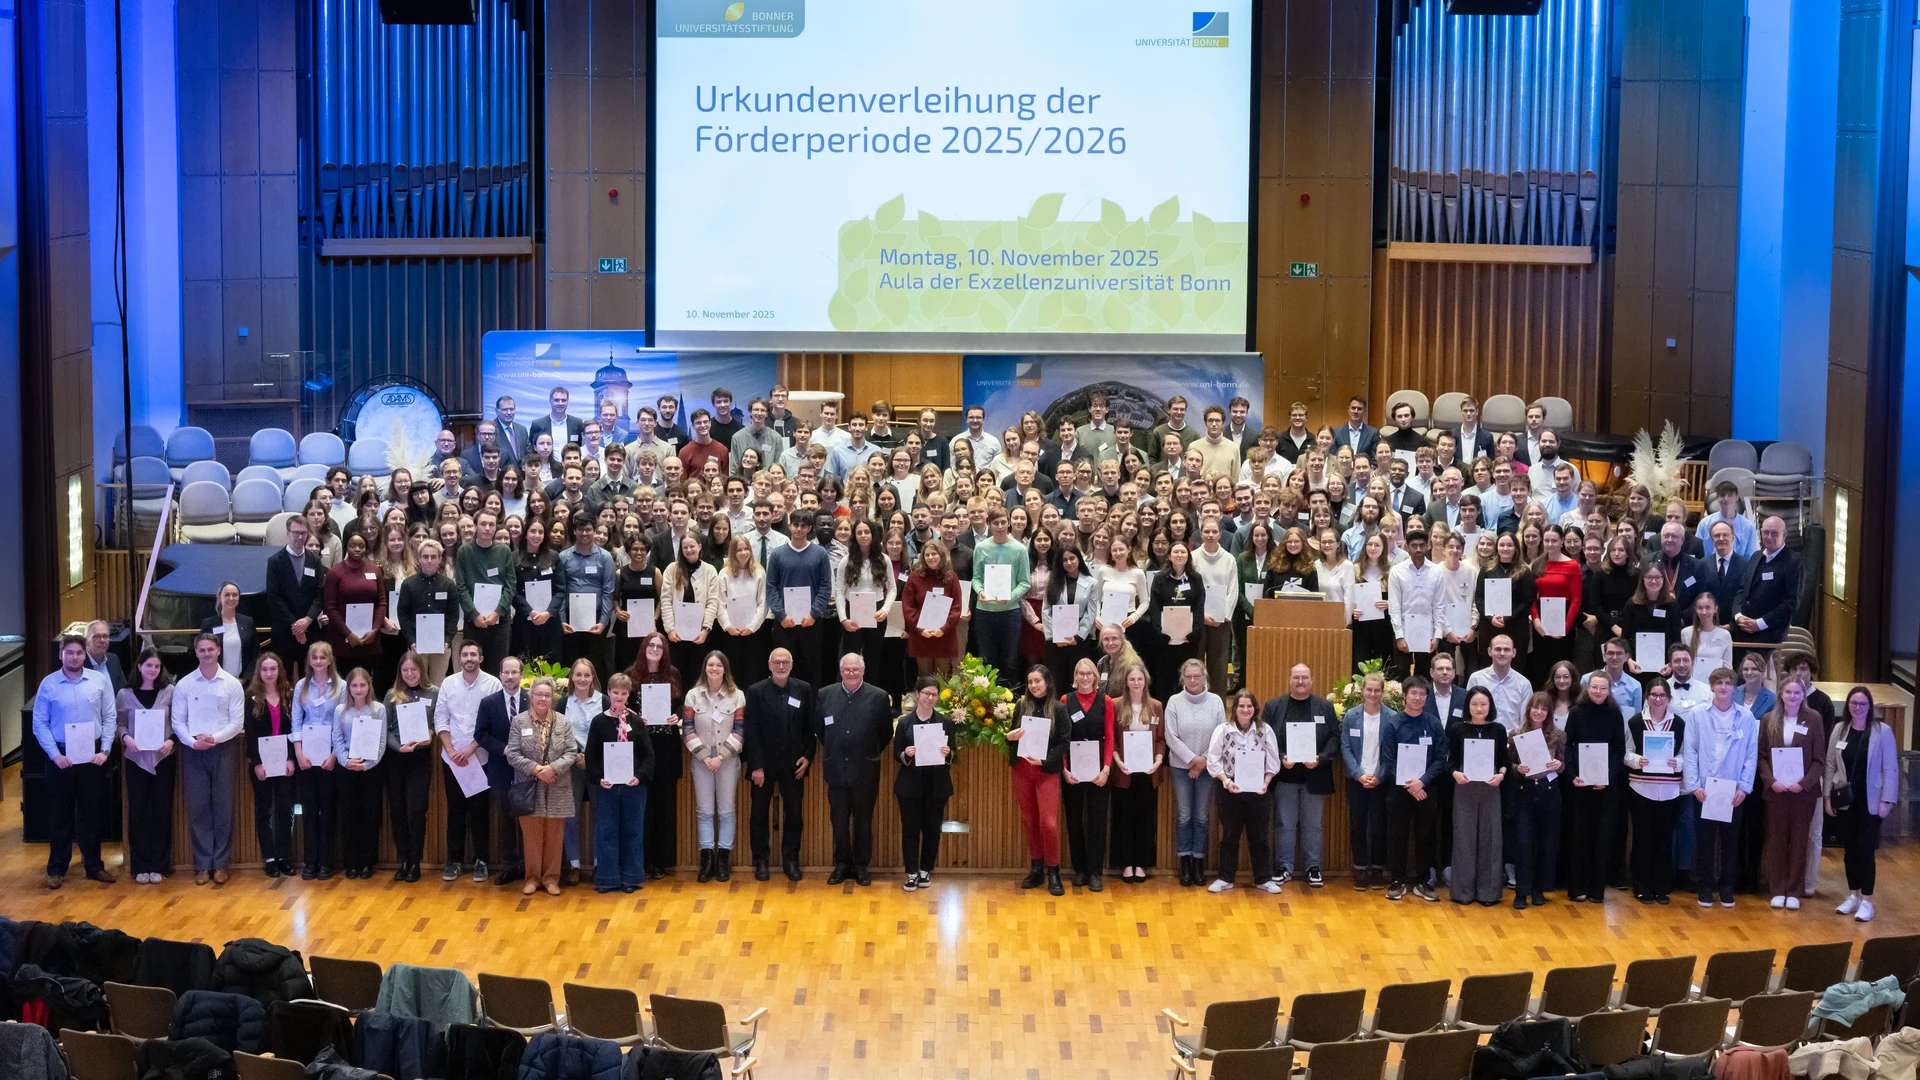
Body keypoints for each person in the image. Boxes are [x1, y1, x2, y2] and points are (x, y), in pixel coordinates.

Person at [33, 634, 118, 888]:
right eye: (69, 652)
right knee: (60, 814)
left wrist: (104, 750)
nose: (74, 657)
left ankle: (94, 867)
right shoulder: (48, 684)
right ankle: (56, 869)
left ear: (85, 654)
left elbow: (110, 716)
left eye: (79, 653)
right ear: (61, 654)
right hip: (61, 756)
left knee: (91, 813)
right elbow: (39, 723)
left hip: (92, 757)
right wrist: (54, 754)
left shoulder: (99, 680)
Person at [173, 632, 246, 885]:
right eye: (202, 650)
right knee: (199, 808)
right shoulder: (184, 684)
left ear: (218, 652)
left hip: (223, 749)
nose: (206, 654)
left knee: (223, 807)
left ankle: (221, 864)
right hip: (193, 751)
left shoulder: (231, 684)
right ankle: (203, 865)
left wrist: (214, 738)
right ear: (196, 653)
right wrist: (193, 742)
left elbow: (237, 723)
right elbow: (177, 722)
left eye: (210, 649)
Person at [816, 652, 894, 886]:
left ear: (863, 670)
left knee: (863, 821)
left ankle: (861, 866)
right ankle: (841, 865)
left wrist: (869, 752)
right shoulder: (825, 695)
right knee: (838, 821)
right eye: (847, 669)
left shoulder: (879, 697)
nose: (851, 673)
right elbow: (820, 730)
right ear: (840, 671)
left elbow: (885, 733)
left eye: (855, 669)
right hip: (836, 769)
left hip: (865, 771)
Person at [1683, 667, 1759, 908]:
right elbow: (1690, 750)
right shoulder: (1697, 714)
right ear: (1712, 686)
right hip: (1705, 788)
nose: (1723, 687)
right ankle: (1705, 888)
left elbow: (1750, 754)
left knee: (1730, 841)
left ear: (1733, 687)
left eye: (1728, 683)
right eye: (1719, 683)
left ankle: (1727, 888)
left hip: (1732, 789)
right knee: (1704, 841)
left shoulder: (1745, 717)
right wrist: (1694, 785)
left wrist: (1744, 788)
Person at [743, 647, 815, 882]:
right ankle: (761, 861)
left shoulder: (803, 689)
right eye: (777, 662)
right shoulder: (755, 691)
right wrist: (756, 765)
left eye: (785, 662)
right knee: (758, 815)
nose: (781, 666)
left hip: (795, 763)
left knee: (794, 814)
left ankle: (790, 861)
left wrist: (808, 755)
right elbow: (750, 730)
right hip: (763, 764)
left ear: (791, 664)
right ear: (769, 664)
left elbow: (809, 726)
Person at [1264, 663, 1339, 888]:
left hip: (1314, 777)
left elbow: (1335, 738)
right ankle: (1284, 867)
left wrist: (1321, 758)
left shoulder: (1325, 708)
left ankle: (1313, 868)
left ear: (1311, 680)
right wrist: (1280, 757)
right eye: (1296, 677)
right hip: (1284, 777)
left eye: (1304, 678)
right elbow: (1264, 740)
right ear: (1289, 680)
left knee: (1313, 825)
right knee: (1284, 824)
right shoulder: (1274, 706)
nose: (1300, 682)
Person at [433, 641, 501, 883]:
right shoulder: (449, 683)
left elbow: (494, 722)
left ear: (481, 658)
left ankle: (481, 860)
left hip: (480, 757)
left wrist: (471, 749)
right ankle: (454, 861)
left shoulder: (493, 683)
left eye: (474, 654)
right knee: (455, 810)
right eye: (465, 654)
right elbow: (440, 718)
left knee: (480, 811)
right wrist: (451, 750)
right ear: (459, 658)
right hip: (452, 760)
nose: (469, 658)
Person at [1829, 686, 1898, 922]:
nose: (1857, 708)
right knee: (1849, 850)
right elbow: (1830, 765)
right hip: (1846, 800)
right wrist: (1828, 797)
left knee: (1865, 850)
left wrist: (1887, 800)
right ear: (1848, 705)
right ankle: (1853, 895)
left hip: (1871, 801)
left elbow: (1890, 768)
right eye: (1853, 703)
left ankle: (1867, 900)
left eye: (1862, 704)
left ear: (1870, 707)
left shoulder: (1882, 731)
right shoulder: (1840, 729)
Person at [507, 675, 579, 897]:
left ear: (552, 699)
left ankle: (551, 879)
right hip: (529, 787)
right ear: (531, 696)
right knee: (532, 837)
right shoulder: (519, 721)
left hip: (557, 786)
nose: (543, 699)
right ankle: (532, 878)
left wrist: (552, 769)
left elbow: (571, 752)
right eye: (539, 694)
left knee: (555, 837)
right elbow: (512, 753)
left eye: (547, 695)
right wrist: (537, 770)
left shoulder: (563, 722)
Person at [1759, 677, 1826, 910]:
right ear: (1781, 694)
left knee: (1799, 841)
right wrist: (1771, 780)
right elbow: (1761, 757)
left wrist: (1804, 783)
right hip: (1776, 791)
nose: (1792, 696)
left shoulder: (1814, 719)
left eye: (1797, 692)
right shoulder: (1769, 719)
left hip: (1802, 793)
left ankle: (1794, 890)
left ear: (1803, 695)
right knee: (1777, 840)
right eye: (1788, 692)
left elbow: (1820, 759)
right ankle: (1778, 889)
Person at [1205, 689, 1281, 894]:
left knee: (1260, 836)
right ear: (1235, 709)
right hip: (1230, 788)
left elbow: (1273, 761)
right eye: (1241, 706)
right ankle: (1225, 877)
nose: (1245, 709)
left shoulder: (1265, 731)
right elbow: (1213, 761)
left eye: (1249, 706)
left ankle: (1263, 878)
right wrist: (1226, 781)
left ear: (1254, 708)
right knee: (1230, 834)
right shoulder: (1223, 730)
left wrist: (1266, 782)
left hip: (1259, 790)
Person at [586, 673, 655, 893]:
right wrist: (599, 778)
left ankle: (631, 878)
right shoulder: (599, 722)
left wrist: (640, 776)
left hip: (633, 786)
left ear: (629, 695)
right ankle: (607, 878)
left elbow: (648, 755)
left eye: (623, 693)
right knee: (606, 831)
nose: (619, 696)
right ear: (609, 692)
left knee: (633, 831)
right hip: (607, 787)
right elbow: (591, 755)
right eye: (615, 692)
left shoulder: (635, 721)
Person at [680, 650, 745, 882]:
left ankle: (722, 860)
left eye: (719, 665)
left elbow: (739, 730)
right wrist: (706, 757)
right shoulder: (693, 696)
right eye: (710, 665)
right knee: (705, 811)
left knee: (726, 811)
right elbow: (687, 729)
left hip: (727, 761)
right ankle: (707, 860)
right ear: (704, 668)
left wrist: (720, 757)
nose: (714, 669)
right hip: (701, 761)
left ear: (725, 669)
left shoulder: (737, 696)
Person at [115, 647, 177, 884]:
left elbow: (178, 723)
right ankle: (140, 864)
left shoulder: (169, 692)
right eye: (148, 665)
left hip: (163, 759)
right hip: (136, 760)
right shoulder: (124, 694)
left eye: (157, 666)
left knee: (162, 811)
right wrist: (125, 738)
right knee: (138, 812)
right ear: (139, 667)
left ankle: (159, 865)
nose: (153, 669)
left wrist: (171, 741)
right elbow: (120, 724)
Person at [627, 633, 686, 879]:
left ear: (665, 651)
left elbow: (682, 705)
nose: (654, 649)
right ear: (644, 648)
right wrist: (635, 718)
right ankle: (641, 860)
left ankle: (661, 862)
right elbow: (624, 708)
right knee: (642, 805)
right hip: (640, 746)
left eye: (659, 646)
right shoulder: (631, 674)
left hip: (666, 745)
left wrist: (677, 717)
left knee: (664, 804)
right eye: (650, 645)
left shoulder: (673, 674)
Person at [1562, 671, 1624, 903]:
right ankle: (1577, 887)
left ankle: (1597, 890)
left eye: (1603, 688)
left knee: (1603, 838)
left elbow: (1619, 750)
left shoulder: (1615, 713)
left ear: (1609, 691)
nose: (1598, 692)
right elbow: (1568, 747)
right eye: (1595, 687)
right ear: (1588, 688)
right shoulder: (1576, 712)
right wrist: (1573, 775)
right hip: (1580, 785)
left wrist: (1608, 776)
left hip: (1607, 786)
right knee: (1579, 837)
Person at [893, 677, 959, 891]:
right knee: (910, 830)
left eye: (934, 694)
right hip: (910, 785)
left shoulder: (945, 722)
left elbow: (954, 754)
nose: (930, 698)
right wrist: (906, 753)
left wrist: (948, 753)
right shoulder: (904, 722)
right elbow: (897, 754)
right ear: (917, 695)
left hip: (936, 785)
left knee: (932, 830)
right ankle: (911, 872)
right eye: (926, 694)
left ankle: (925, 870)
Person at [1625, 679, 1686, 904]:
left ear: (1669, 698)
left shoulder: (1679, 724)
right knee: (1642, 840)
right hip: (1641, 788)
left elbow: (1685, 754)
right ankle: (1641, 887)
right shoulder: (1634, 722)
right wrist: (1636, 760)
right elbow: (1626, 753)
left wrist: (1676, 763)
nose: (1657, 699)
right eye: (1653, 695)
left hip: (1669, 790)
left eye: (1662, 695)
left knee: (1664, 840)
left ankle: (1662, 887)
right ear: (1647, 697)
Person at [1057, 657, 1116, 891]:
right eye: (1080, 674)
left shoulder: (1106, 701)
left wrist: (1106, 769)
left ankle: (1095, 872)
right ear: (1075, 676)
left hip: (1098, 771)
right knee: (1073, 820)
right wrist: (1064, 769)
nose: (1084, 678)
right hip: (1072, 770)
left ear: (1095, 676)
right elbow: (1062, 737)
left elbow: (1110, 737)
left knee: (1097, 821)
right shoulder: (1065, 700)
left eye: (1088, 674)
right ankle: (1079, 870)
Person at [473, 654, 530, 885]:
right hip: (501, 769)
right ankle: (509, 866)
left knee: (527, 821)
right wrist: (504, 749)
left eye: (514, 672)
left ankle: (529, 867)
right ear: (500, 675)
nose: (509, 676)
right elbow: (481, 734)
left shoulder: (531, 700)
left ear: (521, 675)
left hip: (528, 771)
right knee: (505, 821)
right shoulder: (489, 703)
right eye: (505, 672)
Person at [382, 650, 438, 882]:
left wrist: (431, 734)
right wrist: (397, 747)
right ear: (400, 672)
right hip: (396, 759)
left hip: (420, 759)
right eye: (405, 670)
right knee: (398, 811)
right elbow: (384, 730)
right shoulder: (391, 695)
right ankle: (403, 860)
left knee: (416, 811)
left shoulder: (433, 693)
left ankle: (415, 861)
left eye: (413, 669)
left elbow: (437, 721)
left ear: (421, 670)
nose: (410, 674)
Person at [1107, 665, 1165, 883]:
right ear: (1126, 682)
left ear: (1145, 681)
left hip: (1148, 772)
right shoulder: (1115, 705)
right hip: (1124, 770)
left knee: (1145, 817)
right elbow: (1111, 737)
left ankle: (1141, 863)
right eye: (1132, 679)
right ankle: (1126, 863)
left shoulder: (1156, 706)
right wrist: (1118, 761)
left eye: (1140, 678)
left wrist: (1158, 761)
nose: (1136, 683)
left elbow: (1160, 739)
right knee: (1123, 817)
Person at [1338, 672, 1395, 890]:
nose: (1372, 694)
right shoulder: (1352, 716)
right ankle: (1360, 868)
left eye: (1377, 690)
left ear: (1382, 692)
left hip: (1382, 780)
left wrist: (1379, 776)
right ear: (1362, 691)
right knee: (1358, 825)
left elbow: (1391, 751)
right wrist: (1358, 774)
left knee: (1380, 826)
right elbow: (1345, 747)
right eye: (1369, 689)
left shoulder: (1391, 716)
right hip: (1357, 780)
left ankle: (1378, 868)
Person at [1506, 692, 1564, 908]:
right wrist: (1516, 768)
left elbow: (1564, 764)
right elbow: (1508, 764)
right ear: (1528, 709)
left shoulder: (1558, 735)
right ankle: (1521, 891)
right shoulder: (1515, 735)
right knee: (1523, 842)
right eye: (1535, 708)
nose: (1538, 712)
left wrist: (1559, 766)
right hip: (1524, 794)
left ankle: (1538, 889)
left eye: (1543, 709)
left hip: (1549, 794)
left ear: (1548, 713)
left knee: (1545, 844)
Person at [243, 653, 298, 877]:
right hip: (262, 764)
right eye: (264, 669)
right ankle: (270, 858)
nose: (268, 673)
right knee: (264, 811)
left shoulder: (289, 694)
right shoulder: (252, 696)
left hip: (285, 762)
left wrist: (292, 758)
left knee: (286, 810)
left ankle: (284, 856)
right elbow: (250, 732)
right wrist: (257, 763)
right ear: (259, 672)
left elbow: (295, 729)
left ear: (279, 670)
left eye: (272, 669)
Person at [331, 667, 387, 879]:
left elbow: (381, 743)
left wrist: (366, 765)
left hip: (369, 770)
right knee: (348, 815)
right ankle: (351, 862)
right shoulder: (340, 711)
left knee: (369, 816)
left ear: (369, 686)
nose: (358, 689)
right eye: (354, 685)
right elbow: (336, 738)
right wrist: (346, 761)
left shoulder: (378, 709)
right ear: (349, 688)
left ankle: (367, 862)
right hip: (346, 769)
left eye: (362, 685)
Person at [768, 509, 834, 686]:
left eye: (803, 526)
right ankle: (787, 708)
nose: (799, 529)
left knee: (812, 669)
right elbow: (771, 588)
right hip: (784, 623)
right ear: (789, 526)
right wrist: (781, 615)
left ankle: (811, 709)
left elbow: (825, 587)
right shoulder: (777, 554)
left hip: (811, 622)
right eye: (795, 524)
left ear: (810, 528)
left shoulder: (819, 554)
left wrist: (814, 613)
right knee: (786, 669)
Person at [970, 508, 1031, 688]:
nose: (1000, 526)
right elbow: (976, 578)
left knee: (1009, 660)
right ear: (989, 524)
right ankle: (987, 704)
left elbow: (1024, 582)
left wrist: (1009, 597)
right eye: (995, 523)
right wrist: (980, 591)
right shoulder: (981, 548)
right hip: (984, 612)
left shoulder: (1019, 550)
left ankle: (1010, 703)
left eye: (1003, 522)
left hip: (1010, 612)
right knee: (986, 660)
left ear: (1009, 522)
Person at [457, 510, 516, 677]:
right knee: (472, 666)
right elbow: (461, 587)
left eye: (491, 524)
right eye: (483, 524)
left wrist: (498, 612)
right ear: (476, 526)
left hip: (499, 620)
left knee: (497, 668)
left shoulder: (504, 551)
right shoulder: (465, 551)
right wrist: (474, 614)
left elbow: (511, 584)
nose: (487, 528)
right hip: (474, 620)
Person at [266, 516, 327, 673]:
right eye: (296, 533)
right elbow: (274, 597)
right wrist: (295, 625)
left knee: (309, 678)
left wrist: (307, 620)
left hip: (309, 630)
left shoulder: (314, 560)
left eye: (303, 533)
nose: (300, 537)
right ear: (288, 533)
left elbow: (320, 594)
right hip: (284, 631)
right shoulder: (275, 561)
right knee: (282, 680)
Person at [661, 531, 720, 688]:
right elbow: (666, 600)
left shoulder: (710, 571)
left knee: (697, 674)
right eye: (685, 547)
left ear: (699, 546)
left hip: (700, 635)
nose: (688, 550)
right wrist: (670, 629)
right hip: (677, 635)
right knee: (677, 674)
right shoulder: (672, 569)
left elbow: (712, 601)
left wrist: (705, 629)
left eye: (692, 546)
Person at [557, 515, 616, 672]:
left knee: (594, 664)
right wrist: (562, 619)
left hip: (596, 620)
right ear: (574, 531)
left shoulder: (605, 557)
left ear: (594, 531)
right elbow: (560, 591)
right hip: (570, 620)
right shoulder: (563, 557)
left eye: (588, 529)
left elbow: (608, 591)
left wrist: (603, 621)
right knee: (570, 664)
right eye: (581, 530)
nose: (584, 533)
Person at [324, 531, 387, 675]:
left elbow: (381, 603)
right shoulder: (335, 572)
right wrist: (348, 634)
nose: (357, 549)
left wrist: (374, 630)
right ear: (346, 547)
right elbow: (330, 607)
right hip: (342, 639)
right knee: (344, 683)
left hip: (369, 638)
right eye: (353, 545)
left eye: (361, 546)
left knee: (366, 683)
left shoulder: (375, 570)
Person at [1147, 542, 1206, 697]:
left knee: (1187, 678)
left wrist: (1195, 633)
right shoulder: (1160, 578)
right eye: (1176, 552)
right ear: (1169, 556)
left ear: (1188, 556)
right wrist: (1160, 633)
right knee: (1165, 680)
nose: (1179, 555)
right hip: (1165, 640)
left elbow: (1199, 607)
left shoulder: (1196, 579)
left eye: (1183, 552)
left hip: (1188, 640)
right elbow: (1155, 607)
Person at [395, 539, 458, 685]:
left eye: (433, 557)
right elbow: (402, 614)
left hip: (441, 644)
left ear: (439, 559)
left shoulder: (448, 585)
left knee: (437, 683)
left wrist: (448, 640)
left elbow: (453, 615)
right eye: (425, 557)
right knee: (417, 682)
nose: (429, 561)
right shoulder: (409, 584)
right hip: (417, 643)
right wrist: (411, 640)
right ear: (419, 558)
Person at [1733, 516, 1801, 649]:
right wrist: (1738, 616)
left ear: (1784, 535)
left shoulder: (1794, 562)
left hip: (1770, 635)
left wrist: (1760, 623)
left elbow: (1791, 603)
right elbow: (1742, 590)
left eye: (1774, 533)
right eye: (1765, 532)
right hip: (1742, 631)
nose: (1769, 537)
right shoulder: (1756, 556)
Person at [902, 538, 963, 677]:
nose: (931, 557)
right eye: (927, 555)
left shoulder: (951, 577)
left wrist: (944, 628)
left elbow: (956, 607)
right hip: (922, 636)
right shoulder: (914, 577)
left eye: (934, 554)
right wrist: (919, 628)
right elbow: (908, 607)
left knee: (943, 679)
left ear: (941, 555)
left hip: (944, 635)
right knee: (925, 677)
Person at [716, 536, 769, 687]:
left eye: (746, 549)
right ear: (732, 552)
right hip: (731, 632)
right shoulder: (724, 573)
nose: (744, 553)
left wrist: (752, 627)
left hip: (752, 631)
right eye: (739, 550)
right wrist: (728, 626)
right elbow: (720, 603)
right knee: (733, 672)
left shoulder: (759, 573)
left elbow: (762, 603)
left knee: (753, 672)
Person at [1041, 544, 1096, 691]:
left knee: (1076, 681)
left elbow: (1090, 613)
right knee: (1056, 679)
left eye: (1072, 558)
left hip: (1079, 639)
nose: (1069, 562)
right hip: (1056, 640)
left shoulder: (1092, 583)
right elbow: (1046, 610)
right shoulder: (1052, 581)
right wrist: (1055, 637)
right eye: (1065, 560)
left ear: (1079, 559)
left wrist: (1078, 636)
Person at [512, 519, 562, 663]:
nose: (537, 535)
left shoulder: (553, 557)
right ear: (526, 534)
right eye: (533, 531)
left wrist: (548, 613)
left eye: (540, 532)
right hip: (524, 621)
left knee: (550, 663)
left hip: (550, 620)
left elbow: (560, 590)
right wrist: (530, 611)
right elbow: (513, 591)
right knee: (526, 661)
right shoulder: (514, 557)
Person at [199, 581, 261, 679]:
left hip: (242, 682)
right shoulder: (209, 624)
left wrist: (244, 679)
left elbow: (255, 654)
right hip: (215, 680)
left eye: (235, 595)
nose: (231, 598)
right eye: (227, 595)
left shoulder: (248, 622)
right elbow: (203, 654)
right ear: (220, 597)